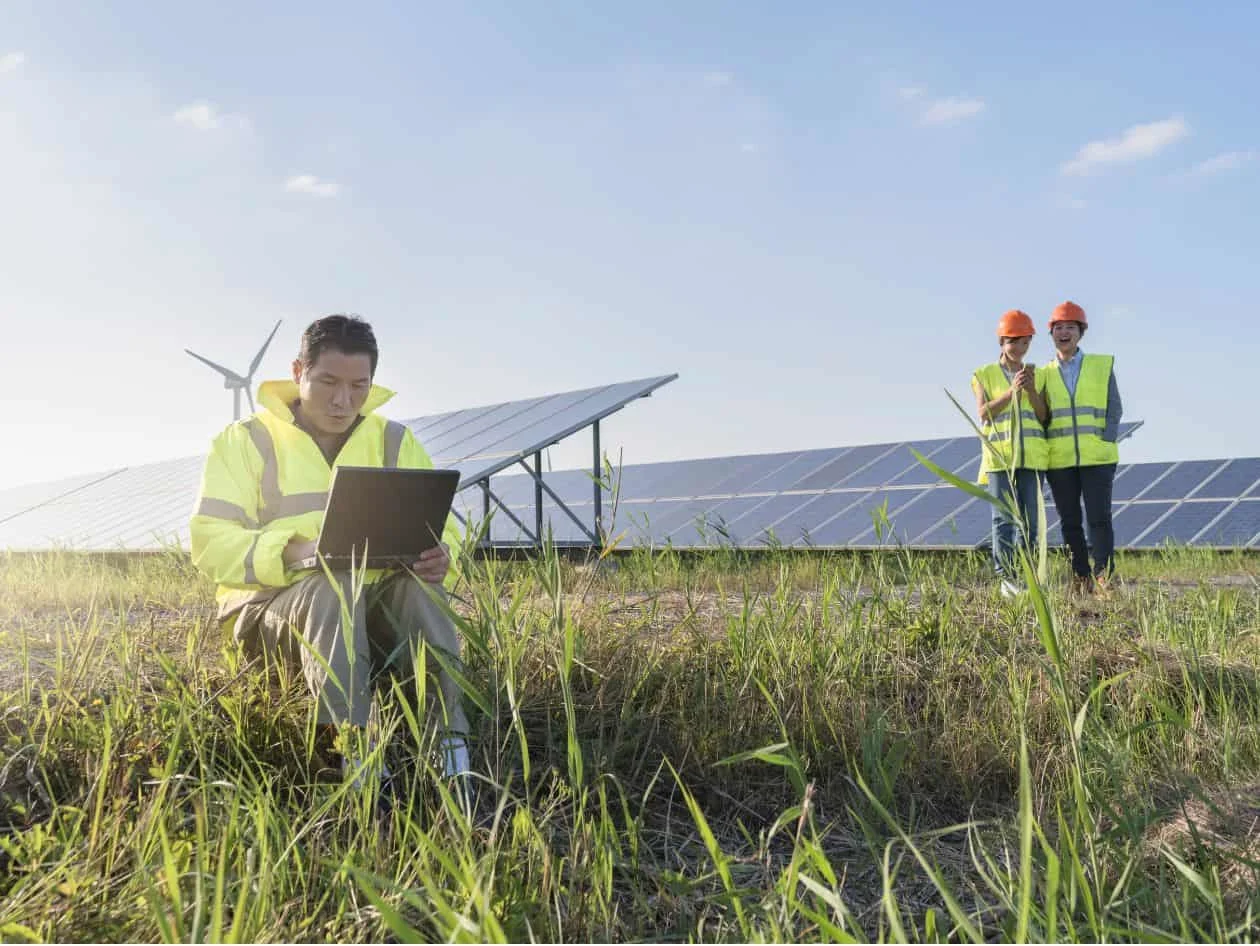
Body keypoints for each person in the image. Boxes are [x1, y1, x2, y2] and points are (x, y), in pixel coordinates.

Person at [189, 314, 472, 800]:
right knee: (331, 584)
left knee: (419, 591)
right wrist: (293, 552)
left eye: (359, 386)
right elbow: (210, 542)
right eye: (328, 383)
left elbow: (446, 525)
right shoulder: (244, 441)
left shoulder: (395, 441)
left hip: (375, 612)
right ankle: (345, 758)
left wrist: (444, 555)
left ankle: (450, 754)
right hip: (268, 615)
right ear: (299, 370)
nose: (343, 401)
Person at [1040, 301, 1123, 595]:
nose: (1064, 333)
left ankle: (1104, 575)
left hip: (1097, 457)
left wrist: (1106, 439)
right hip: (1060, 460)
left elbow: (1115, 407)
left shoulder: (1100, 366)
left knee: (1099, 518)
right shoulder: (1042, 374)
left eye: (1070, 327)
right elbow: (1042, 414)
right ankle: (1081, 576)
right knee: (1070, 521)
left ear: (1081, 332)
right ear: (1051, 334)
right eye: (1058, 328)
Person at [971, 309, 1049, 597]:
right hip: (1000, 458)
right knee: (1002, 519)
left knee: (1030, 519)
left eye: (1025, 342)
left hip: (1031, 458)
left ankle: (1028, 574)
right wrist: (1011, 393)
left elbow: (1043, 416)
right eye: (1013, 342)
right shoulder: (984, 374)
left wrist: (1030, 392)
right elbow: (983, 414)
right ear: (1002, 342)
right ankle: (1007, 578)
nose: (1019, 348)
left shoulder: (1036, 375)